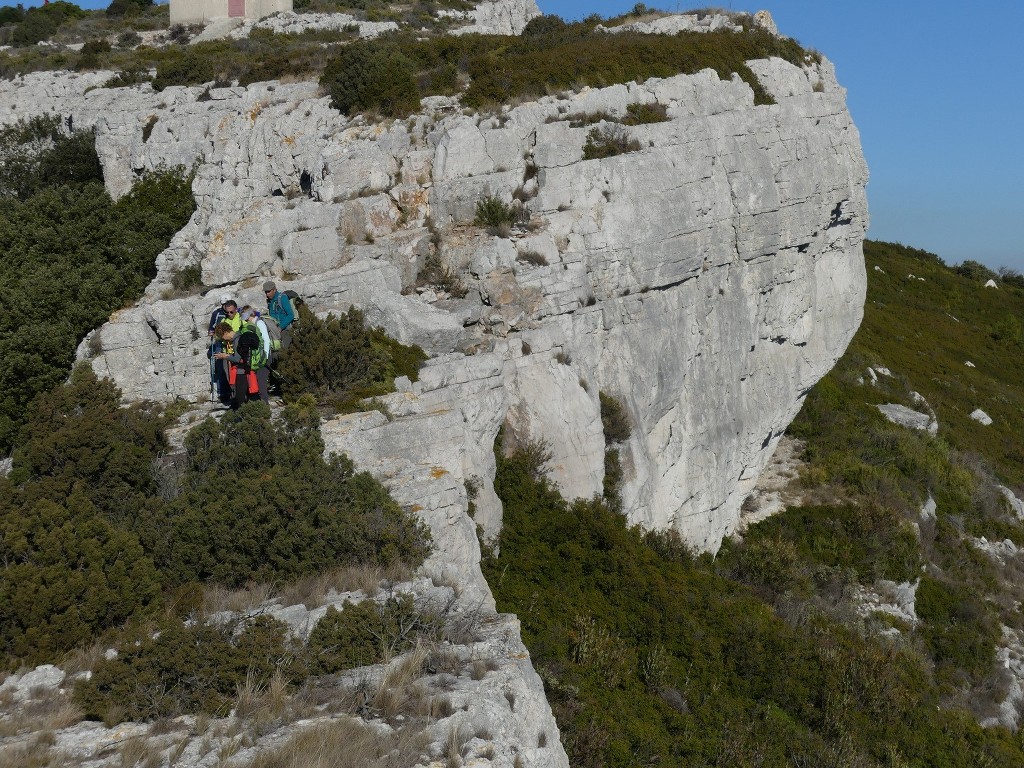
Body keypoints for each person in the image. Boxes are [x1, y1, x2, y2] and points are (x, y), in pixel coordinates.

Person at [213, 319, 268, 409]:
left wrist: (225, 356)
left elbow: (237, 359)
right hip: (247, 370)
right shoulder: (240, 336)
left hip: (242, 371)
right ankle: (258, 410)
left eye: (223, 337)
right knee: (250, 394)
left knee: (241, 397)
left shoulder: (237, 340)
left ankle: (243, 415)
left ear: (225, 333)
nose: (224, 340)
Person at [241, 307, 273, 402]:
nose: (246, 320)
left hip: (264, 357)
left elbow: (266, 340)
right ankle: (263, 402)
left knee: (261, 381)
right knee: (260, 381)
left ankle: (265, 405)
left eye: (246, 317)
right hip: (259, 357)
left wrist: (265, 356)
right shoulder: (253, 324)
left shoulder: (259, 323)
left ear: (251, 314)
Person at [207, 295, 234, 406]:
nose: (226, 307)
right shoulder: (217, 313)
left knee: (231, 367)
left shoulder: (232, 313)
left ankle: (232, 391)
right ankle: (222, 393)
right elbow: (211, 327)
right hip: (219, 343)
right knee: (220, 368)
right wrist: (211, 332)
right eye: (224, 304)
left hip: (230, 343)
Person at [263, 281, 295, 350]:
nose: (267, 294)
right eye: (265, 292)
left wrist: (280, 327)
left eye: (268, 291)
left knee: (284, 351)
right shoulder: (270, 301)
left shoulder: (282, 298)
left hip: (285, 330)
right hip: (274, 330)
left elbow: (290, 315)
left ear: (274, 290)